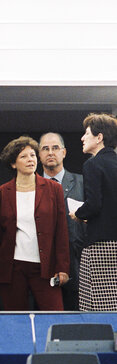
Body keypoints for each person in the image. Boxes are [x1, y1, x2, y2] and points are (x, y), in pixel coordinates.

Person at [0, 136, 69, 311]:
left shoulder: (53, 189)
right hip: (12, 268)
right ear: (13, 164)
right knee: (16, 320)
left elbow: (61, 231)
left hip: (46, 267)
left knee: (55, 315)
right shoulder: (0, 194)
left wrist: (62, 268)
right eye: (24, 157)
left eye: (32, 155)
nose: (30, 160)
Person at [71, 113, 117, 311]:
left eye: (87, 133)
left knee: (98, 307)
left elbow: (94, 204)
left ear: (99, 138)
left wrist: (78, 214)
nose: (82, 138)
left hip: (100, 246)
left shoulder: (93, 164)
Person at [39, 132, 85, 311]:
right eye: (45, 148)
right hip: (40, 267)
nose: (50, 152)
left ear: (64, 152)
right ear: (39, 154)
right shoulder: (30, 185)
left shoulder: (82, 183)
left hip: (78, 265)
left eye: (55, 148)